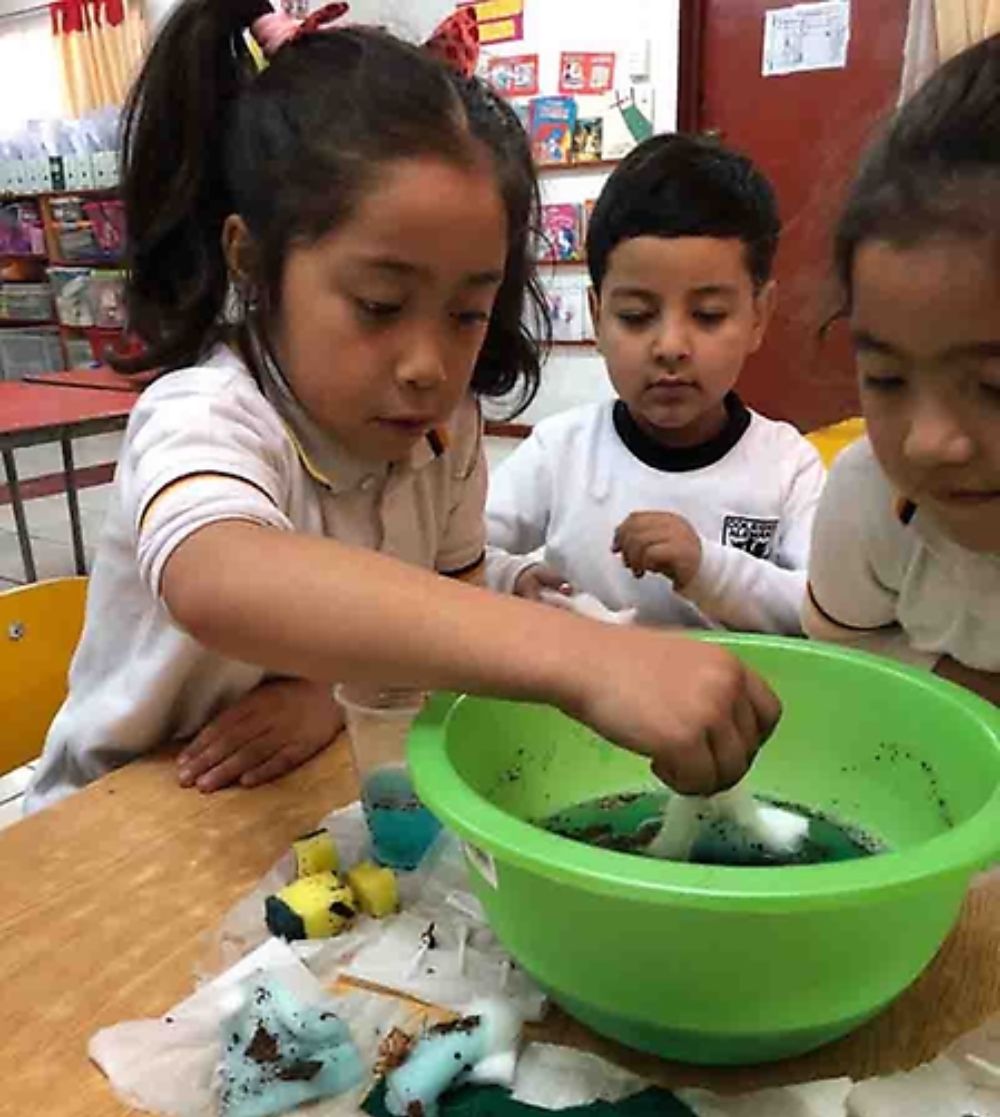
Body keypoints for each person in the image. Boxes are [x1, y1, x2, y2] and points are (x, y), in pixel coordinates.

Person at [26, 3, 781, 812]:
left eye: (466, 314)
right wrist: (585, 656)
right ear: (253, 261)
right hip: (109, 823)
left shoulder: (444, 432)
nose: (429, 369)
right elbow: (221, 578)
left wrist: (328, 694)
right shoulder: (207, 415)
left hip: (281, 810)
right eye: (381, 305)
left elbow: (441, 615)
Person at [485, 133, 826, 635]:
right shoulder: (562, 451)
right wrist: (514, 576)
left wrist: (706, 567)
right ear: (598, 317)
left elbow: (823, 611)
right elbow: (458, 553)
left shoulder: (787, 467)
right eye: (636, 316)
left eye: (708, 316)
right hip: (587, 703)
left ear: (759, 315)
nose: (670, 346)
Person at [805, 35, 1000, 707]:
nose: (928, 443)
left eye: (995, 386)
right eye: (887, 378)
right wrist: (974, 692)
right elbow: (842, 643)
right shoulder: (870, 502)